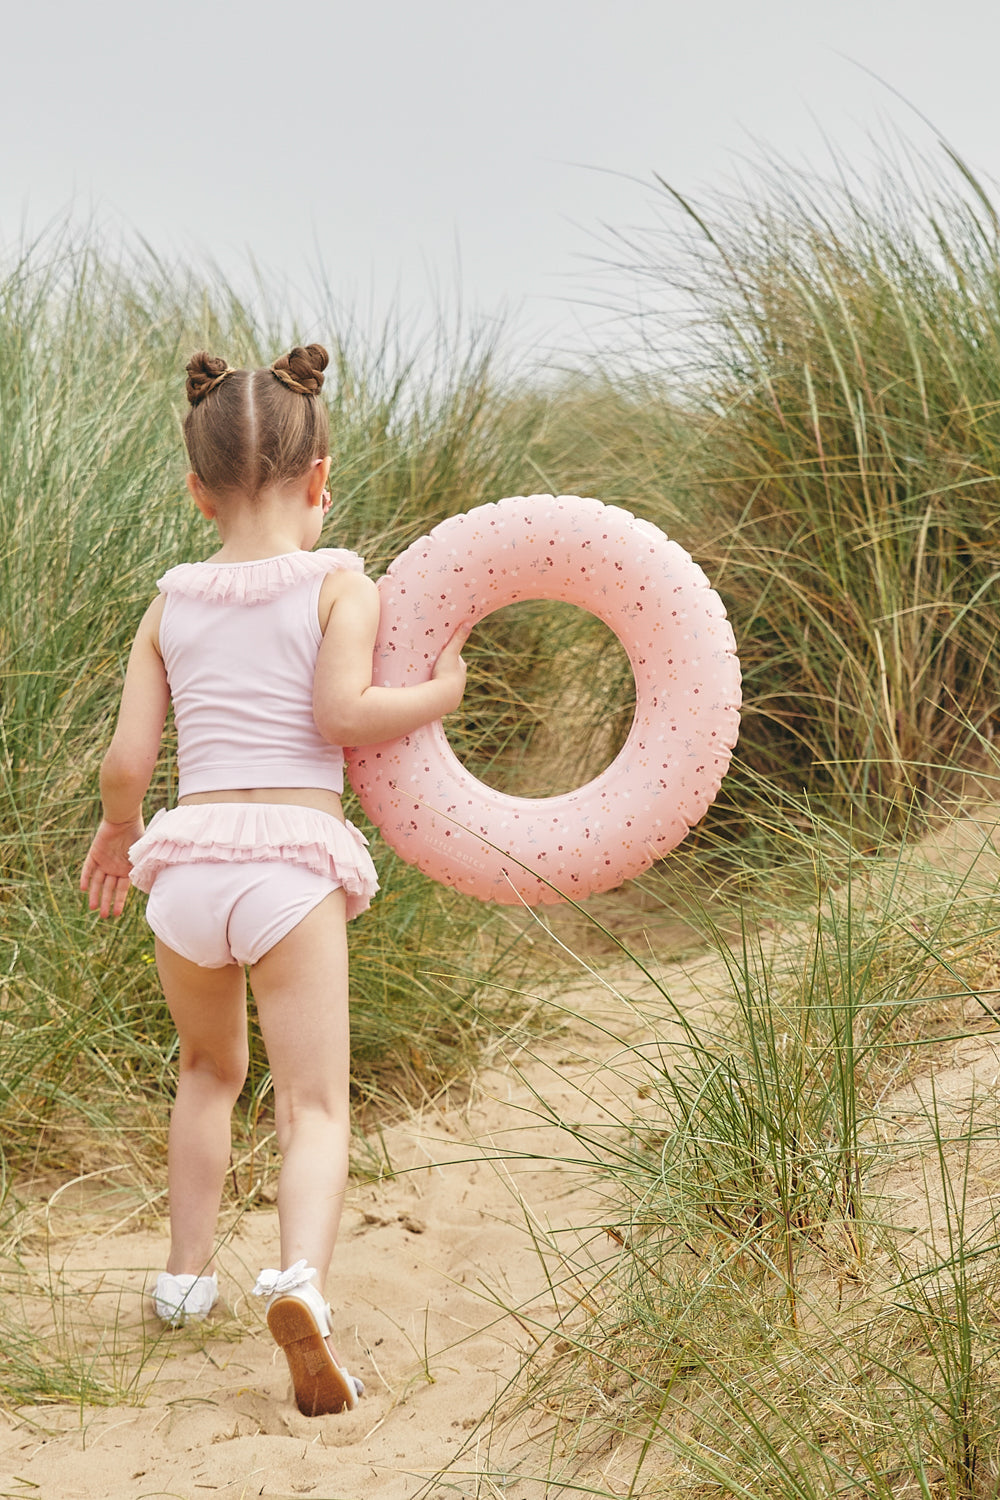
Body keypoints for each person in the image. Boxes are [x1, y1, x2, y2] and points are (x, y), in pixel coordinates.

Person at [79, 344, 467, 1417]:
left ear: (196, 491)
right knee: (313, 1105)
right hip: (288, 864)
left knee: (207, 1071)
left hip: (187, 868)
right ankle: (300, 1284)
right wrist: (442, 693)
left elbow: (126, 762)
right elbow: (343, 716)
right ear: (319, 478)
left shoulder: (170, 604)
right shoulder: (340, 585)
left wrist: (120, 834)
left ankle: (183, 1278)